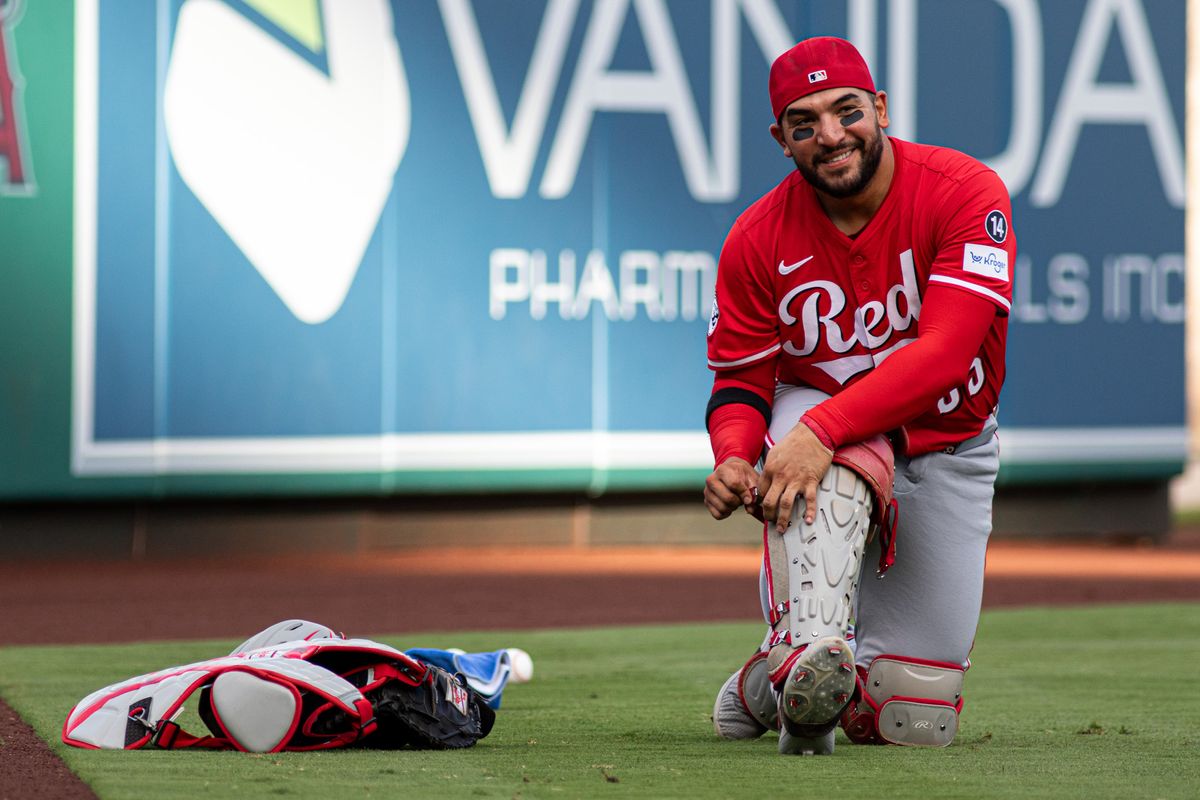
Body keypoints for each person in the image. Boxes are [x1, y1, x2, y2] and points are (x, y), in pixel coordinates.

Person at [704, 36, 1013, 755]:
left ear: (878, 107)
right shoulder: (755, 237)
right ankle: (808, 644)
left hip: (947, 446)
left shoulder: (964, 190)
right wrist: (735, 456)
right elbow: (741, 382)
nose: (831, 135)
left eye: (846, 111)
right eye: (804, 123)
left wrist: (820, 429)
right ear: (782, 140)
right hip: (823, 433)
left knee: (915, 719)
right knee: (830, 441)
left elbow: (943, 356)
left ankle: (771, 676)